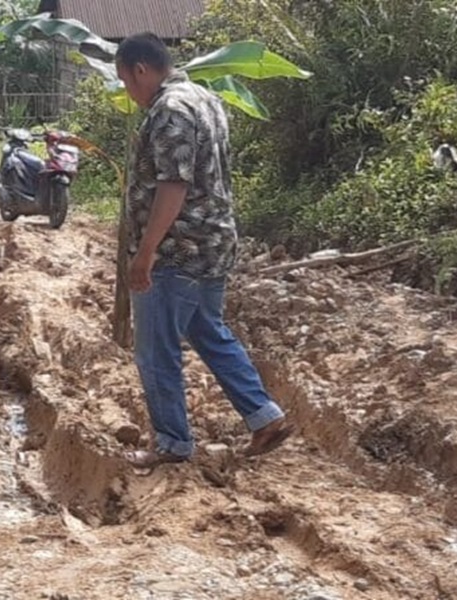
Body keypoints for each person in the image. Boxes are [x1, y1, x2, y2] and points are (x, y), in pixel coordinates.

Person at [115, 33, 294, 470]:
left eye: (125, 81)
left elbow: (172, 186)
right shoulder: (204, 98)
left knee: (157, 350)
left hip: (178, 250)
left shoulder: (171, 111)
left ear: (141, 69)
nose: (127, 91)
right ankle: (264, 416)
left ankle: (173, 444)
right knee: (208, 332)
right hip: (213, 242)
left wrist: (146, 253)